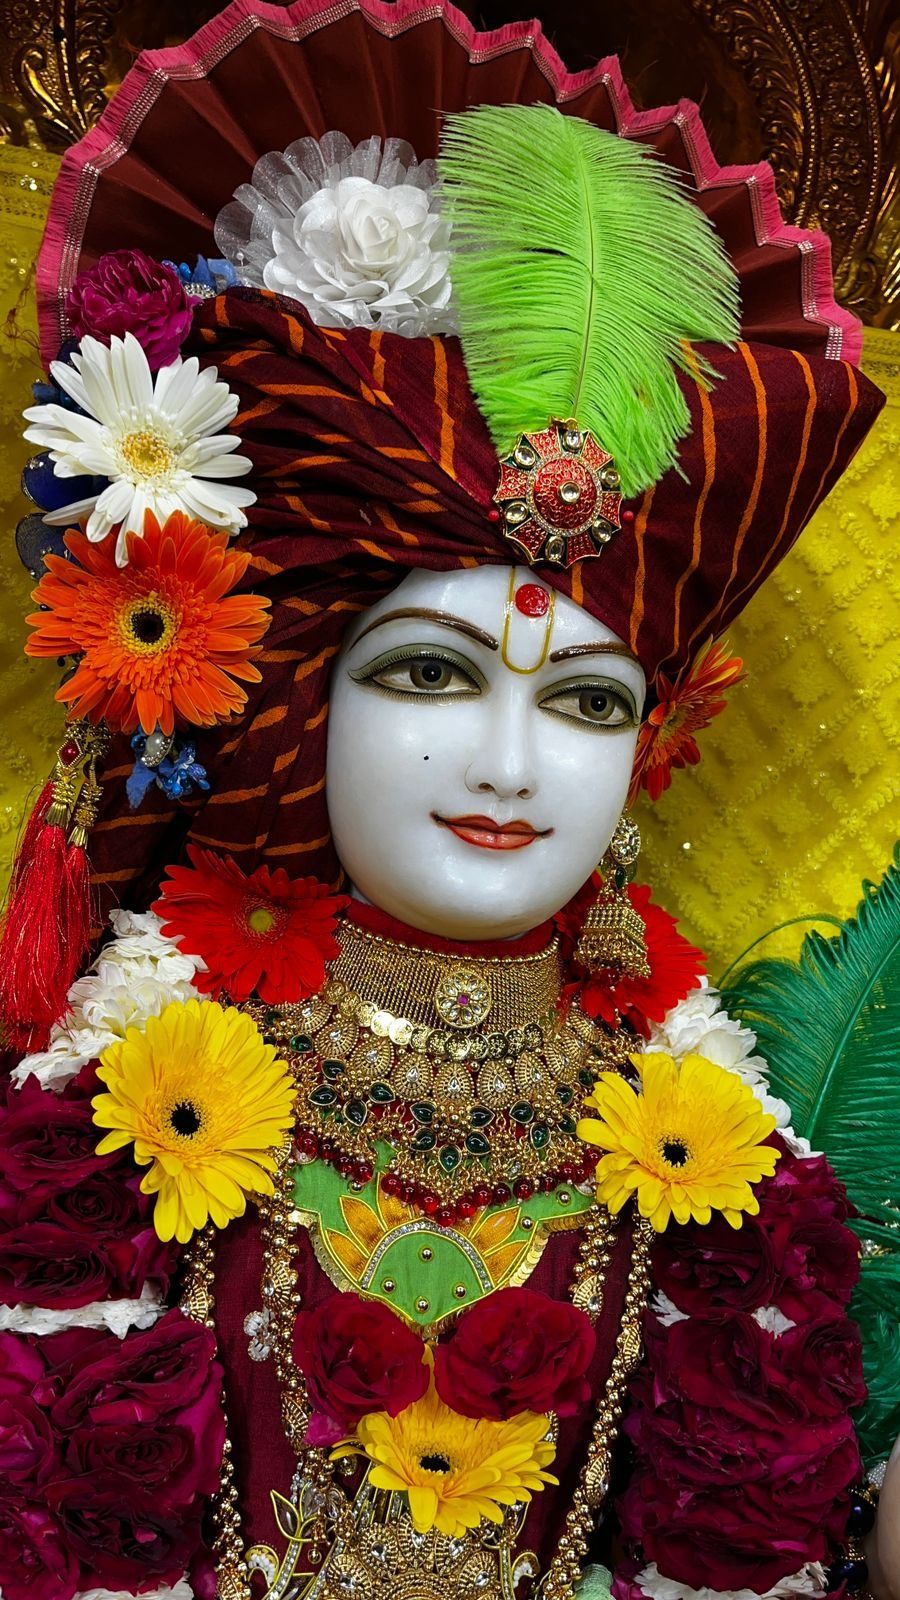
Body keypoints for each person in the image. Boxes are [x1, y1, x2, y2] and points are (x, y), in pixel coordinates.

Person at [0, 4, 896, 1599]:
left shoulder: (719, 1161)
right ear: (296, 702)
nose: (508, 765)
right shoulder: (115, 1112)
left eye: (586, 703)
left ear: (652, 748)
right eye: (427, 677)